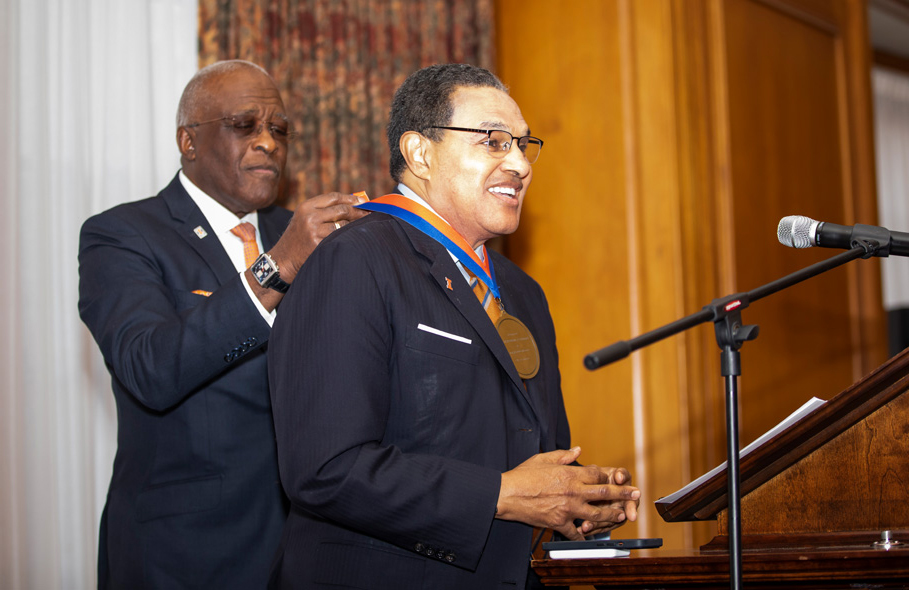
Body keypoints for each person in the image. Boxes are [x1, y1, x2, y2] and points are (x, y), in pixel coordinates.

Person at [268, 63, 640, 589]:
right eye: (493, 142)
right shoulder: (354, 260)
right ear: (420, 153)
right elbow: (324, 469)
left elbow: (524, 457)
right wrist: (503, 495)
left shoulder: (523, 292)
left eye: (523, 144)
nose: (519, 163)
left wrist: (575, 502)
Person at [78, 60, 367, 589]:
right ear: (188, 141)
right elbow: (152, 367)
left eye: (278, 129)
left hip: (310, 545)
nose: (268, 143)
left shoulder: (306, 234)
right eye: (244, 125)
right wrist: (275, 266)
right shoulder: (123, 234)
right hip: (183, 555)